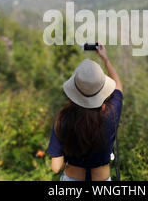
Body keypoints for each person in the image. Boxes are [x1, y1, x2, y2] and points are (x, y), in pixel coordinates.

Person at [46, 44, 123, 181]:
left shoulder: (64, 118)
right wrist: (106, 59)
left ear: (75, 89)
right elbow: (118, 87)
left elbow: (56, 167)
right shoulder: (112, 112)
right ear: (102, 88)